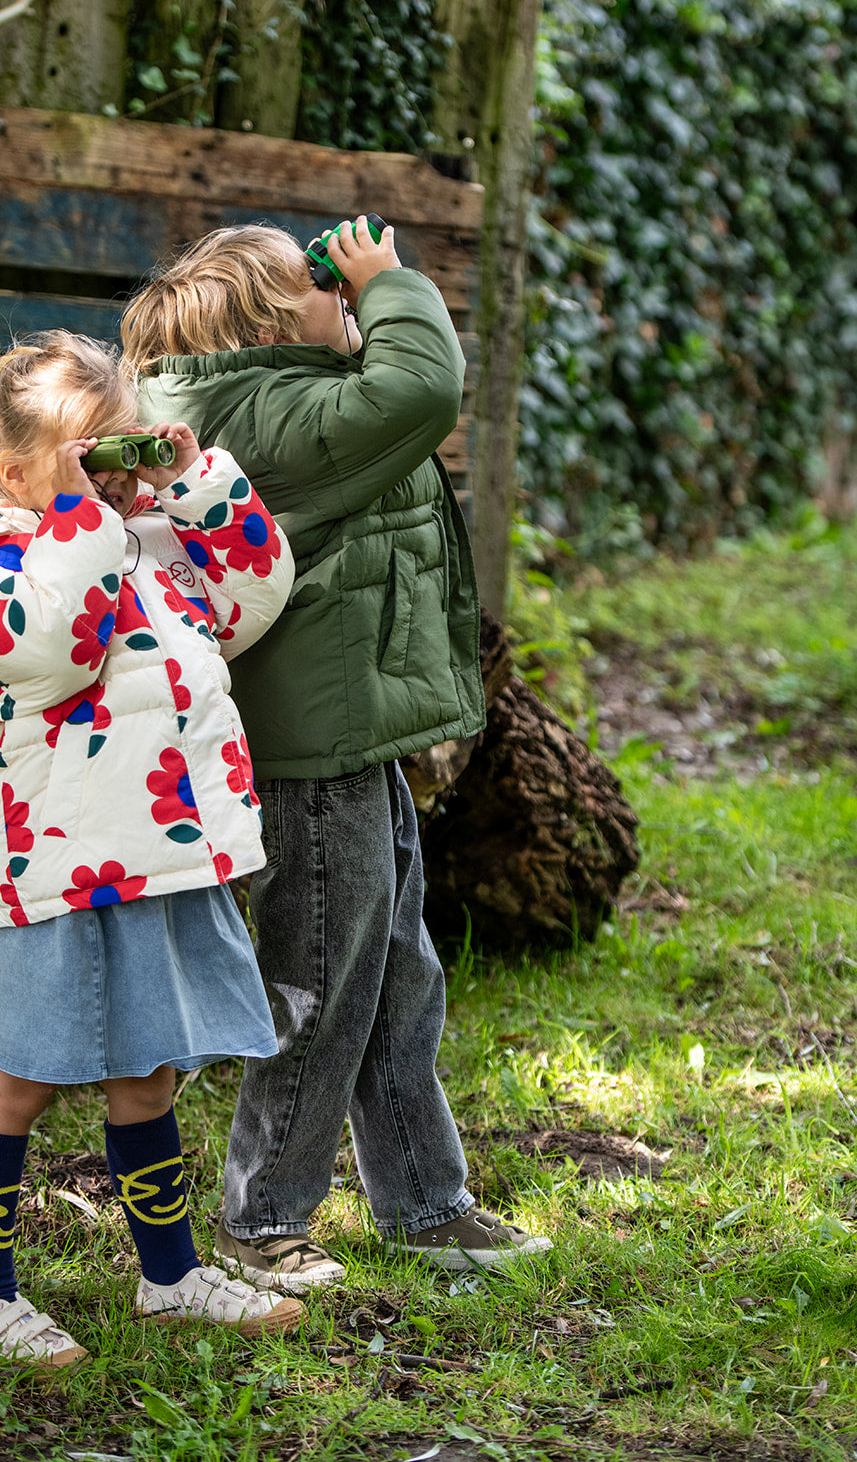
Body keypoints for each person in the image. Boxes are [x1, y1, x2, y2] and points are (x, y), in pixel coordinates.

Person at [120, 218, 552, 1294]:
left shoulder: (276, 397)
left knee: (396, 971)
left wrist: (354, 305)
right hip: (307, 755)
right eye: (318, 285)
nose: (344, 291)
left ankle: (423, 1199)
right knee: (317, 983)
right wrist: (390, 280)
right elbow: (421, 392)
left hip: (348, 734)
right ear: (269, 325)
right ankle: (263, 1217)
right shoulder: (263, 411)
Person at [0, 330, 303, 1367]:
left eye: (131, 448)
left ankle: (169, 1277)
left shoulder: (151, 544)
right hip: (58, 865)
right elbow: (43, 649)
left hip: (167, 853)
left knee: (151, 1074)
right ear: (18, 471)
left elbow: (253, 598)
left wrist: (194, 483)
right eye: (98, 454)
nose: (120, 474)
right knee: (22, 1080)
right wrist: (87, 518)